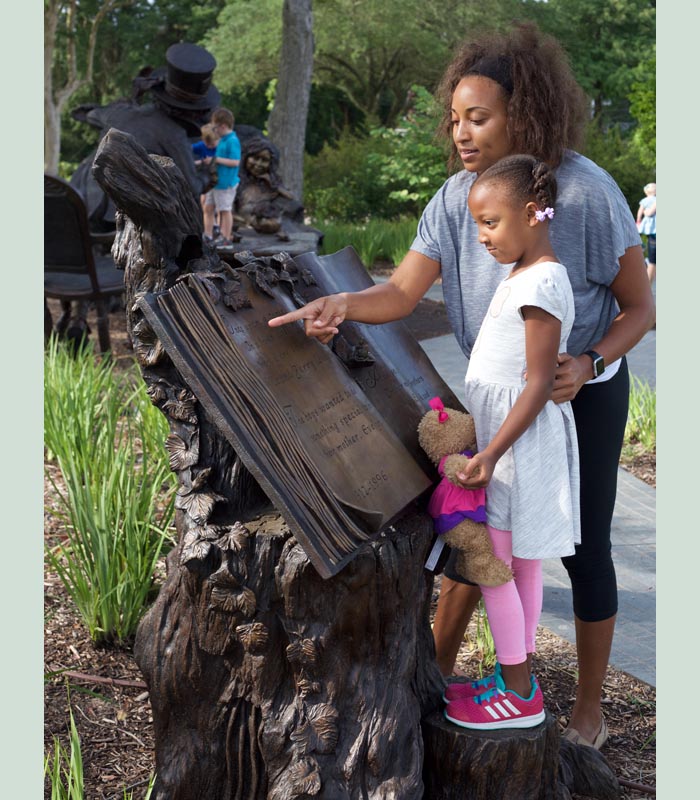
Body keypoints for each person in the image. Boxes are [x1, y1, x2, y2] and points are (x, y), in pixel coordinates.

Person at [267, 21, 654, 749]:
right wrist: (344, 305)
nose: (462, 132)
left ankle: (589, 709)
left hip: (581, 394)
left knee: (584, 548)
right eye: (456, 118)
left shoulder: (585, 195)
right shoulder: (454, 200)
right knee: (477, 538)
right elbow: (403, 294)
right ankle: (442, 678)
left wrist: (592, 362)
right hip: (497, 402)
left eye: (479, 117)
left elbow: (642, 307)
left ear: (526, 113)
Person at [440, 153, 578, 729]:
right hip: (509, 449)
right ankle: (513, 674)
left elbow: (541, 381)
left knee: (496, 567)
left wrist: (491, 454)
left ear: (531, 213)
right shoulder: (521, 275)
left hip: (515, 454)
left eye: (490, 223)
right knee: (519, 567)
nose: (482, 236)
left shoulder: (542, 279)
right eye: (477, 224)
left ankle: (519, 694)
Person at [235, 136, 304, 235]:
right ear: (246, 157)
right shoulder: (237, 181)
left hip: (269, 221)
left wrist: (273, 185)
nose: (258, 164)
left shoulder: (272, 181)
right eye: (255, 158)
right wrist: (248, 222)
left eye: (264, 160)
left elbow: (291, 199)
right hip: (245, 225)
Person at [204, 107, 241, 249]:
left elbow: (235, 162)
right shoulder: (222, 140)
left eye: (215, 128)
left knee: (224, 210)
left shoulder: (232, 141)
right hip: (215, 182)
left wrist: (216, 159)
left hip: (226, 183)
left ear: (223, 126)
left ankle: (226, 238)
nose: (214, 131)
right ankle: (208, 236)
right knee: (208, 207)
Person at [636, 183, 656, 284]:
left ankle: (641, 245)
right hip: (653, 228)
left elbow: (643, 211)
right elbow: (643, 211)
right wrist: (639, 219)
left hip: (651, 228)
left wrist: (639, 219)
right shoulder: (650, 200)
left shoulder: (649, 200)